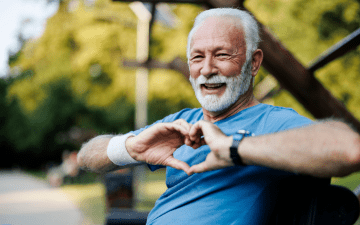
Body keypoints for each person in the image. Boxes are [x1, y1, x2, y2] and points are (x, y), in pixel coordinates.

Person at [77, 8, 360, 224]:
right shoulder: (180, 122)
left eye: (222, 55)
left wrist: (233, 148)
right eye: (197, 57)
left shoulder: (273, 122)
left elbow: (349, 149)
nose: (207, 69)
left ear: (254, 63)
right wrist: (130, 148)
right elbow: (87, 156)